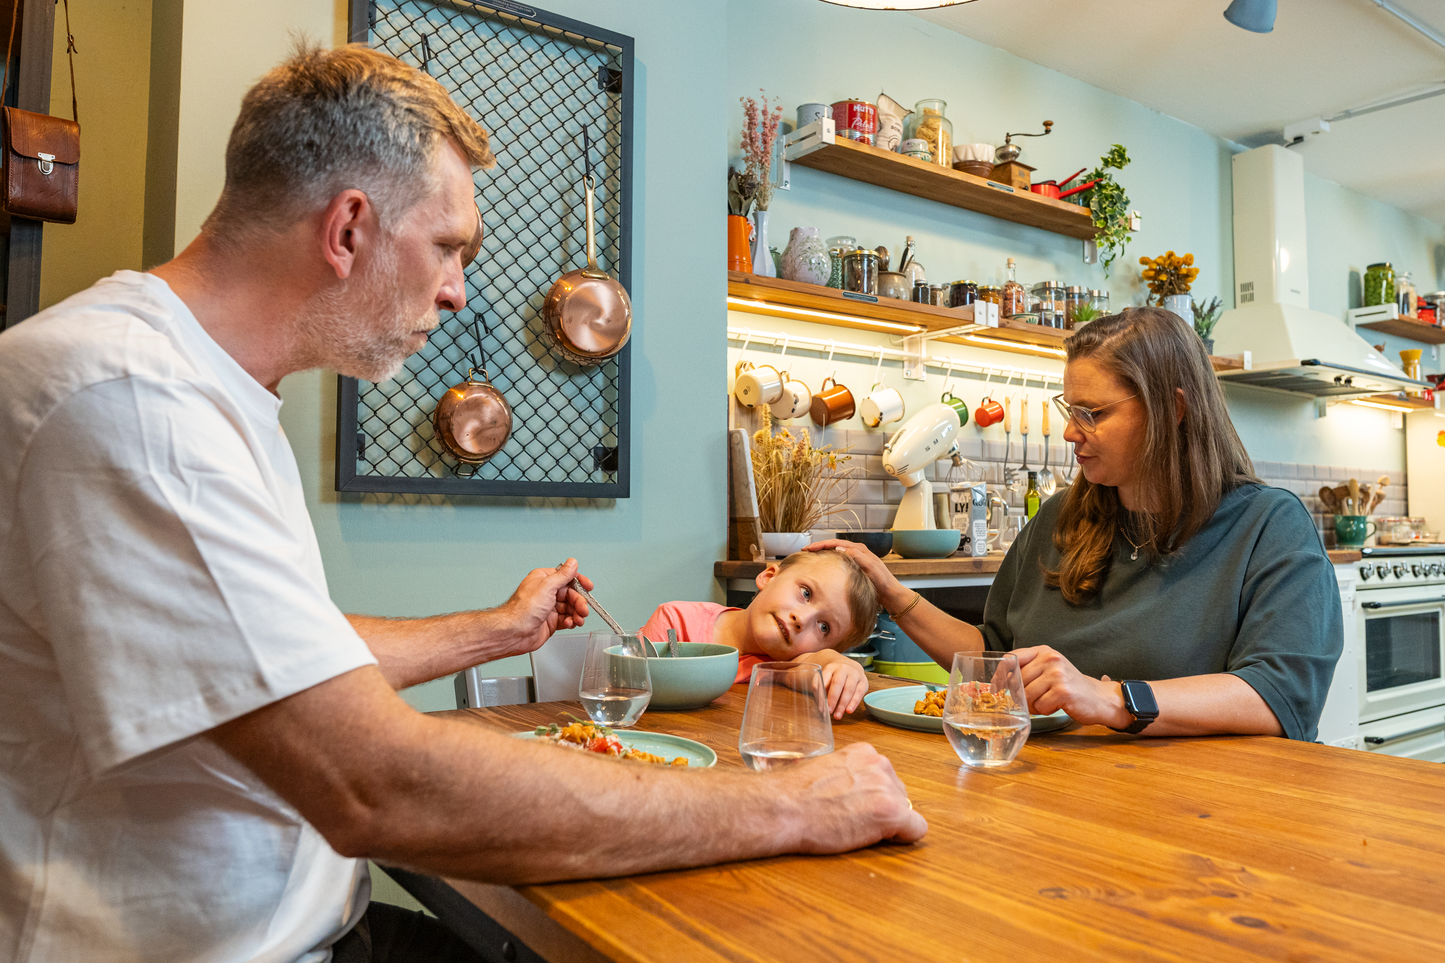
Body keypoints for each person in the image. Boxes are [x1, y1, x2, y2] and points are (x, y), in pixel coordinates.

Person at [0, 44, 925, 963]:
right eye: (448, 248)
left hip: (311, 922)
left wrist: (496, 629)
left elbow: (273, 652)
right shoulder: (131, 399)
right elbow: (378, 784)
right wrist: (795, 803)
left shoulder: (200, 388)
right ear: (348, 229)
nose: (457, 290)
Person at [818, 308, 1343, 742]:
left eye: (1092, 412)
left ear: (1174, 410)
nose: (1070, 431)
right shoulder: (1058, 517)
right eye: (1070, 409)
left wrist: (1112, 699)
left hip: (1209, 811)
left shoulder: (1269, 525)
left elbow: (1280, 696)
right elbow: (993, 660)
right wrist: (891, 594)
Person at [639, 549, 879, 719]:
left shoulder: (783, 666)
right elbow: (630, 688)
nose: (802, 619)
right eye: (806, 593)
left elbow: (819, 666)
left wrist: (843, 665)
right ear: (769, 576)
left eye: (824, 627)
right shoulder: (675, 621)